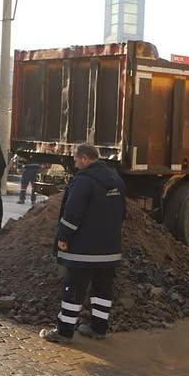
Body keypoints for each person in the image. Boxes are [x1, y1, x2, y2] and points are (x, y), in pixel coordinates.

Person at [40, 143, 126, 344]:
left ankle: (64, 332)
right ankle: (99, 328)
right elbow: (122, 213)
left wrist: (63, 238)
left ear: (86, 159)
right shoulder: (116, 180)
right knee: (103, 289)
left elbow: (72, 214)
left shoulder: (83, 181)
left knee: (73, 289)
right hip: (110, 250)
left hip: (83, 250)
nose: (75, 164)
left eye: (76, 159)